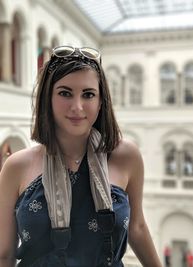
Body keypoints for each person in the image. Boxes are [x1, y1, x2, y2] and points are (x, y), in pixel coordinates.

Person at [0, 45, 162, 267]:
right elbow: (5, 255)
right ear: (47, 98)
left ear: (101, 101)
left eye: (88, 94)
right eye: (65, 93)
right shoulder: (16, 166)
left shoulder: (126, 156)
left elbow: (137, 227)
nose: (77, 107)